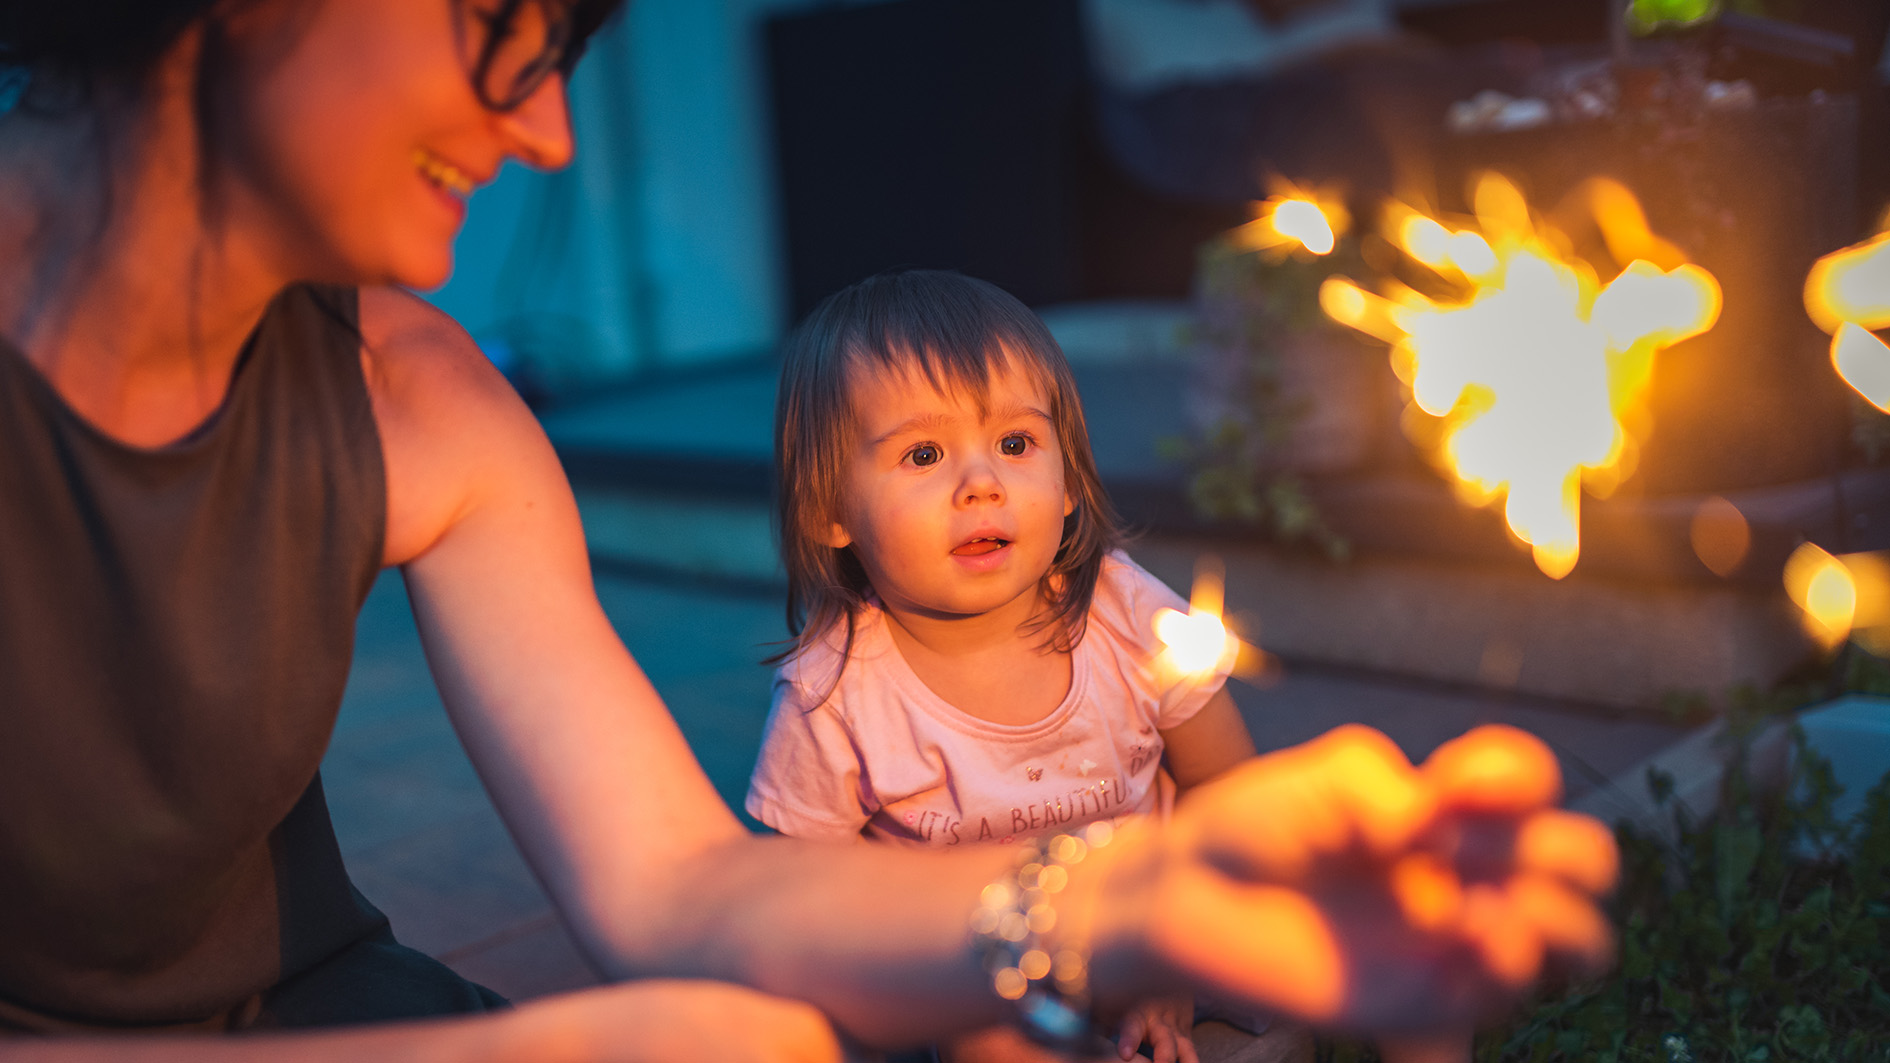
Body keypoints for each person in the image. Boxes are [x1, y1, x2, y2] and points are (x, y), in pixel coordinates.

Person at [0, 0, 1620, 1059]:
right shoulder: (841, 686)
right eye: (506, 23)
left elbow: (685, 887)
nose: (550, 133)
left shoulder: (422, 405)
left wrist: (1131, 899)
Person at [749, 269, 1273, 1063]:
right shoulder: (837, 695)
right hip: (970, 968)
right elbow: (806, 894)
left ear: (1067, 482)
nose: (982, 484)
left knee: (1359, 920)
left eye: (1016, 443)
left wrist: (1168, 953)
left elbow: (1229, 789)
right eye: (924, 453)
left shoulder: (1129, 618)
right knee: (987, 1039)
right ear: (829, 509)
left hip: (1144, 916)